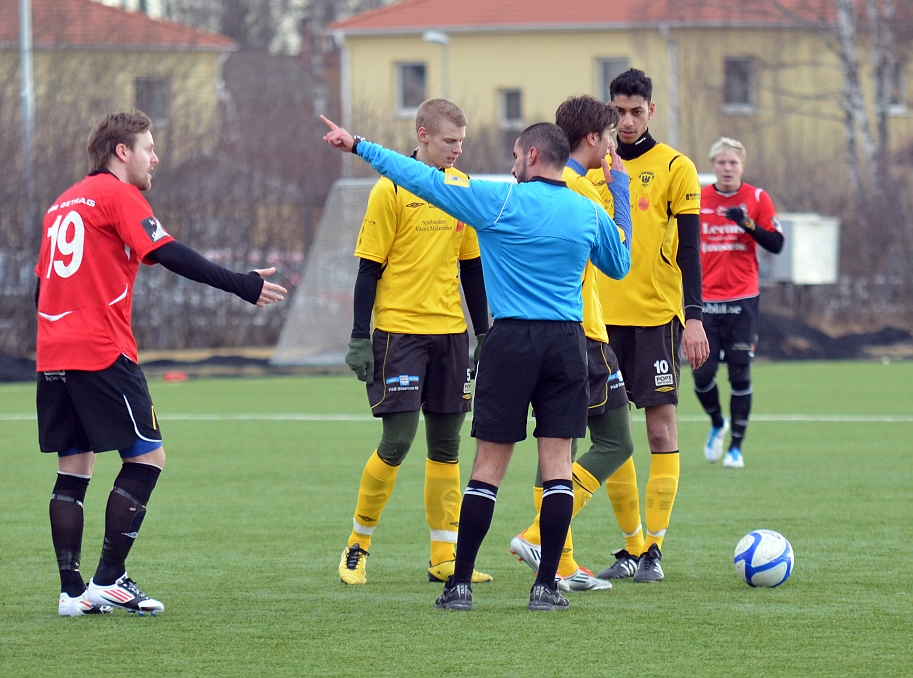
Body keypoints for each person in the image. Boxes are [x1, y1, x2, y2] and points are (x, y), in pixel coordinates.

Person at [321, 115, 631, 611]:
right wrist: (621, 193)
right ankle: (546, 587)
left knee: (487, 467)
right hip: (566, 343)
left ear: (532, 156)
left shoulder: (499, 201)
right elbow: (620, 264)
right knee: (557, 467)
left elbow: (418, 178)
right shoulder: (588, 211)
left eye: (515, 157)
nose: (512, 166)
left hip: (510, 342)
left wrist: (360, 145)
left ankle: (459, 585)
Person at [36, 111, 286, 616]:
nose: (156, 158)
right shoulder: (118, 194)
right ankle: (109, 579)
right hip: (102, 349)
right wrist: (242, 284)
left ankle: (72, 592)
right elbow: (169, 252)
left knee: (74, 469)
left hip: (53, 353)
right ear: (121, 152)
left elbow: (42, 285)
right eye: (148, 148)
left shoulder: (60, 205)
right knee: (147, 458)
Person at [336, 99, 492, 587]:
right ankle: (357, 546)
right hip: (400, 333)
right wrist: (359, 337)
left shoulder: (461, 188)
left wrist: (484, 332)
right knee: (398, 441)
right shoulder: (390, 189)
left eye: (461, 142)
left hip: (451, 335)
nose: (457, 149)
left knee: (447, 446)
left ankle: (444, 556)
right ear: (423, 135)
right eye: (449, 141)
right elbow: (368, 269)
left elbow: (471, 268)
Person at [587, 69, 710, 583]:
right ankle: (631, 546)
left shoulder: (676, 167)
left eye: (636, 111)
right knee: (613, 433)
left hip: (657, 318)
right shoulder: (592, 168)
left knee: (660, 428)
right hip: (600, 322)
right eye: (618, 112)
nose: (627, 121)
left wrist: (694, 317)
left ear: (651, 110)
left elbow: (690, 250)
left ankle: (654, 550)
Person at [509, 95, 635, 593]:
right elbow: (619, 255)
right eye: (610, 136)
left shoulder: (556, 185)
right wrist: (620, 191)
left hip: (555, 329)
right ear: (592, 139)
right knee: (616, 441)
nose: (614, 145)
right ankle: (540, 536)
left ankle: (560, 562)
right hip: (583, 332)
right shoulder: (579, 189)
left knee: (560, 448)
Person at [693, 137, 784, 468]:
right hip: (705, 300)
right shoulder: (698, 199)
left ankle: (736, 448)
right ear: (713, 166)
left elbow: (776, 243)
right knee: (702, 375)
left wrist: (746, 222)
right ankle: (718, 423)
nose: (727, 168)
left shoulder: (757, 198)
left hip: (743, 300)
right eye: (721, 162)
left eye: (733, 163)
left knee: (740, 373)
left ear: (742, 166)